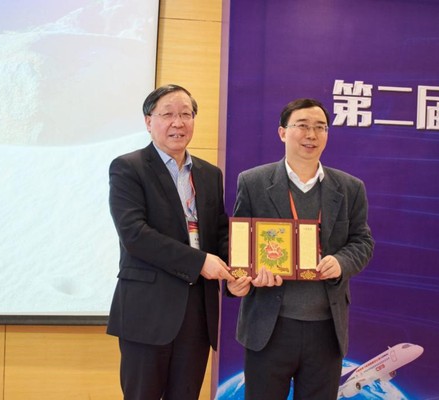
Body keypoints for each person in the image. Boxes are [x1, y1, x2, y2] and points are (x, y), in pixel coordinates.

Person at [227, 98, 375, 399]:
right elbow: (239, 243)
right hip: (269, 326)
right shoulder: (253, 182)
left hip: (325, 329)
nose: (311, 135)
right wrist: (246, 276)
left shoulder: (350, 187)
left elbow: (363, 241)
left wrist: (341, 262)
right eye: (303, 126)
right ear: (283, 132)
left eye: (320, 127)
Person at [107, 84, 235, 400]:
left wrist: (238, 272)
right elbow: (135, 234)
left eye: (186, 115)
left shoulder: (210, 174)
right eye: (167, 114)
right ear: (148, 121)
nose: (178, 123)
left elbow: (219, 233)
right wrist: (199, 262)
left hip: (197, 313)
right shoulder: (128, 168)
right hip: (147, 311)